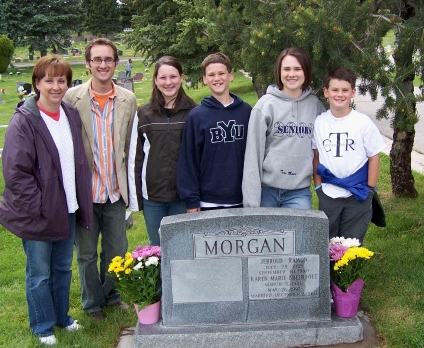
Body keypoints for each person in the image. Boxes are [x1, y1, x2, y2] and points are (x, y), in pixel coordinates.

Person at [0, 56, 93, 345]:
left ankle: (62, 317)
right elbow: (16, 172)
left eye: (61, 80)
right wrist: (39, 206)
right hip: (38, 213)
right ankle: (43, 327)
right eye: (48, 80)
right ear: (37, 83)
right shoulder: (25, 121)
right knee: (39, 274)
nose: (55, 86)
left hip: (67, 207)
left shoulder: (70, 113)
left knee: (62, 268)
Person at [64, 38, 137, 321]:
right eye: (97, 60)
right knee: (85, 253)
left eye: (108, 59)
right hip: (85, 190)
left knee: (117, 249)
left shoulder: (127, 99)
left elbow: (129, 144)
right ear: (88, 63)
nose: (103, 65)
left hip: (115, 190)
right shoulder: (73, 98)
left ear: (116, 63)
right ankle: (92, 302)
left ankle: (112, 295)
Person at [242, 47, 325, 209]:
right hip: (267, 191)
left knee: (299, 234)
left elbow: (324, 151)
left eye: (297, 69)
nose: (291, 74)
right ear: (279, 72)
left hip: (298, 192)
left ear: (306, 72)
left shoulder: (315, 106)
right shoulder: (265, 106)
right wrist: (251, 202)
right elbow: (253, 156)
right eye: (286, 69)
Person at [128, 56, 197, 245]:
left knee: (182, 249)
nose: (168, 83)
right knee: (156, 249)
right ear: (156, 80)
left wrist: (195, 197)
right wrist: (137, 198)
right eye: (163, 78)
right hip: (153, 197)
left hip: (182, 197)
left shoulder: (193, 112)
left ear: (181, 78)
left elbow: (199, 157)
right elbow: (136, 156)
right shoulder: (144, 114)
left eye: (173, 77)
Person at [312, 67, 385, 244]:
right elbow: (317, 156)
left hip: (357, 193)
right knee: (327, 241)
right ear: (326, 92)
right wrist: (319, 187)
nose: (340, 94)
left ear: (353, 92)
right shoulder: (320, 122)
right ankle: (328, 273)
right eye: (335, 90)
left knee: (352, 242)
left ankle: (350, 272)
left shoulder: (362, 122)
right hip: (329, 192)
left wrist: (369, 189)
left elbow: (374, 157)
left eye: (345, 90)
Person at [177, 52, 252, 212]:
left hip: (243, 197)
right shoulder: (197, 116)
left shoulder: (246, 112)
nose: (217, 78)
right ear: (205, 79)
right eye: (211, 74)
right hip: (208, 200)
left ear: (230, 76)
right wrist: (192, 199)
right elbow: (188, 160)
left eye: (221, 73)